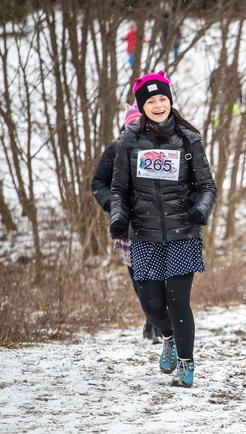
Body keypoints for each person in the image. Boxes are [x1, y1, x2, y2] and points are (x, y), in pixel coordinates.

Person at [110, 71, 217, 387]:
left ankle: (186, 362)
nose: (158, 105)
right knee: (152, 303)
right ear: (142, 106)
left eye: (163, 99)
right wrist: (119, 216)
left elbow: (207, 185)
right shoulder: (128, 141)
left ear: (170, 101)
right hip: (144, 233)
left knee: (177, 299)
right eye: (151, 101)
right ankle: (168, 336)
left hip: (183, 232)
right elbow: (119, 188)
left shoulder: (188, 139)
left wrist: (201, 209)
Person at [92, 103, 161, 343]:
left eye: (140, 124)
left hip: (159, 224)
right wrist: (114, 204)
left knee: (163, 276)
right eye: (132, 124)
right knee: (140, 277)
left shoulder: (161, 149)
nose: (137, 128)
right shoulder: (114, 150)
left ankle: (162, 321)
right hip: (129, 228)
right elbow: (99, 183)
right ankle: (152, 319)